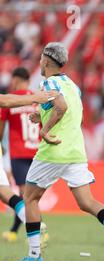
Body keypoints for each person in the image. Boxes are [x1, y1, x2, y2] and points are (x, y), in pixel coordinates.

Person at [11, 42, 104, 261]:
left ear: (46, 61)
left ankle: (34, 254)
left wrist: (45, 130)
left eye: (40, 58)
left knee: (29, 198)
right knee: (86, 202)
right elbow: (74, 115)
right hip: (76, 151)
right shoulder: (73, 85)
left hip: (53, 151)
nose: (39, 62)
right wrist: (41, 115)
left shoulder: (47, 82)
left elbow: (61, 105)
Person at [1, 67, 44, 243]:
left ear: (16, 80)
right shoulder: (38, 100)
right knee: (28, 195)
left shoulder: (11, 101)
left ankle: (39, 229)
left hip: (19, 152)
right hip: (38, 151)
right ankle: (16, 230)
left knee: (26, 195)